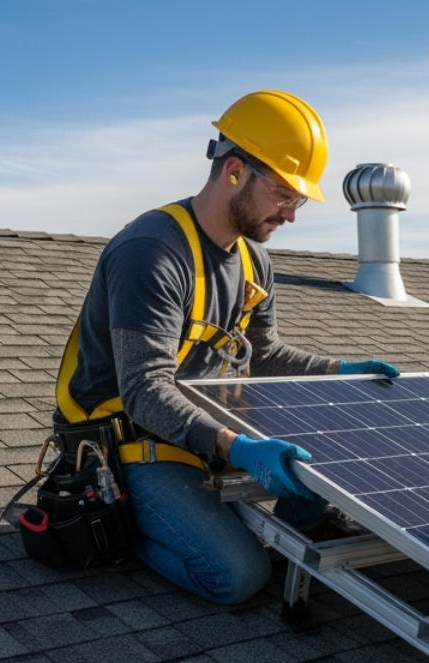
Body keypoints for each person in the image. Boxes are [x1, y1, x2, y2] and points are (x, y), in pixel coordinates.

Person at [52, 89, 398, 604]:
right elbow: (145, 390)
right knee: (237, 576)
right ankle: (127, 526)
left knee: (333, 419)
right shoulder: (151, 252)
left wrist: (340, 370)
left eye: (297, 199)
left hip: (206, 426)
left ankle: (300, 524)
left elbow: (265, 354)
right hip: (128, 441)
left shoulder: (254, 260)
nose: (291, 214)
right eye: (285, 194)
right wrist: (236, 447)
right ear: (235, 171)